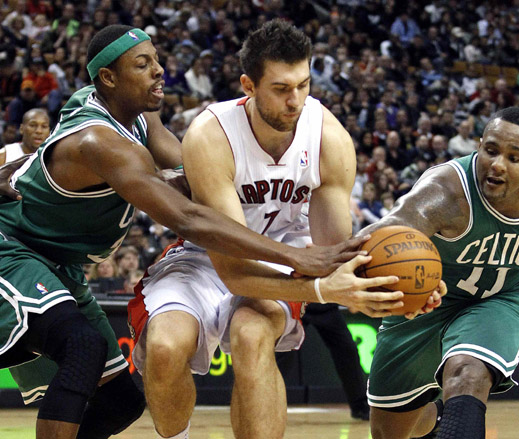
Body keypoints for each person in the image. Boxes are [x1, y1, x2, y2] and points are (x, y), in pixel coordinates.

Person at [0, 24, 373, 439]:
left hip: (60, 267)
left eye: (156, 59)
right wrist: (298, 258)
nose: (160, 70)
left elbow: (181, 164)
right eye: (143, 65)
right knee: (92, 348)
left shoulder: (137, 112)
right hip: (15, 251)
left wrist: (210, 170)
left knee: (122, 401)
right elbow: (190, 219)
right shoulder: (100, 140)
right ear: (108, 77)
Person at [128, 20, 441, 439]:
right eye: (280, 88)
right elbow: (233, 268)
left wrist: (402, 287)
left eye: (303, 85)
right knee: (165, 349)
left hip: (286, 259)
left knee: (251, 333)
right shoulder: (211, 135)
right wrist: (320, 290)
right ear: (248, 85)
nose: (295, 101)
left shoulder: (328, 137)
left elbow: (334, 252)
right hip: (209, 257)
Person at [362, 107, 519, 439]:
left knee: (468, 373)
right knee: (390, 431)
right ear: (478, 146)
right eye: (490, 151)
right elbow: (381, 236)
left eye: (513, 157)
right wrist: (319, 266)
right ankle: (435, 418)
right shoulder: (446, 191)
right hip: (427, 302)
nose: (497, 164)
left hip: (501, 298)